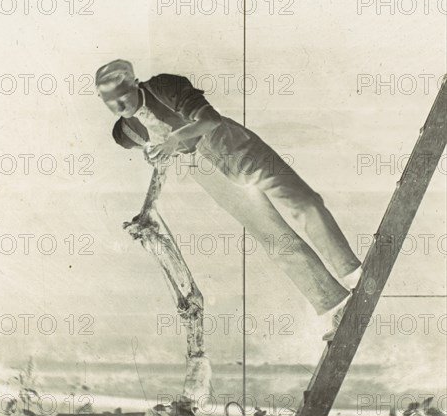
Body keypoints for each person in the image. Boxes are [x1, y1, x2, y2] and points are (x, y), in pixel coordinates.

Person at [95, 59, 362, 340]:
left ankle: (353, 272)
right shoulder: (124, 133)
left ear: (135, 84)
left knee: (303, 202)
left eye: (123, 94)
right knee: (274, 238)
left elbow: (210, 119)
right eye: (110, 101)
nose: (119, 105)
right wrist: (151, 151)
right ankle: (338, 304)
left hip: (230, 145)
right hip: (206, 171)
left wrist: (174, 139)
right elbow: (146, 144)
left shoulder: (164, 86)